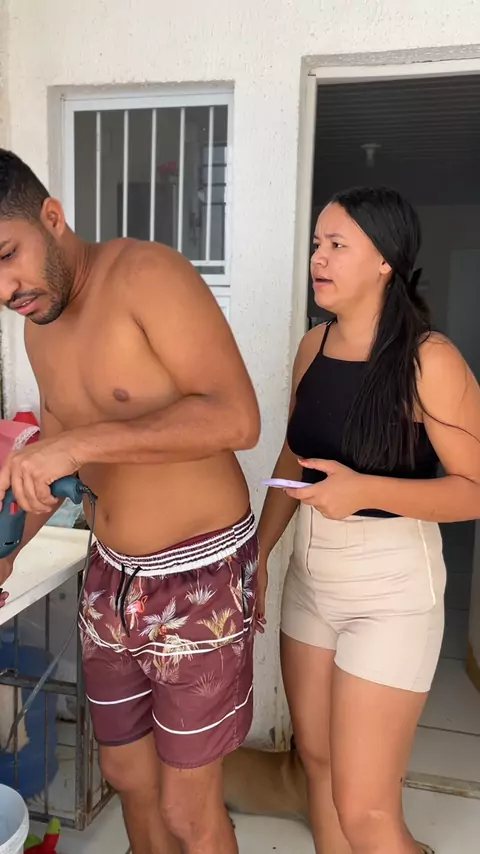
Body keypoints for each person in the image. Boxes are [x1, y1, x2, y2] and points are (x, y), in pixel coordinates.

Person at [0, 149, 261, 854]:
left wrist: (79, 444)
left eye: (8, 255)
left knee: (188, 808)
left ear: (51, 218)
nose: (6, 289)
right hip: (109, 574)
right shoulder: (38, 329)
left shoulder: (148, 275)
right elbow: (58, 467)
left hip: (199, 573)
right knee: (127, 776)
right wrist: (7, 551)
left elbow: (237, 417)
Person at [256, 186, 480, 854]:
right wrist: (259, 554)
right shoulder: (314, 345)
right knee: (318, 765)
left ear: (386, 260)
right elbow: (294, 455)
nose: (318, 258)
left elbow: (474, 490)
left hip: (392, 590)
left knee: (366, 811)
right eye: (316, 244)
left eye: (337, 245)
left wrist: (363, 491)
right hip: (310, 577)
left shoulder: (428, 359)